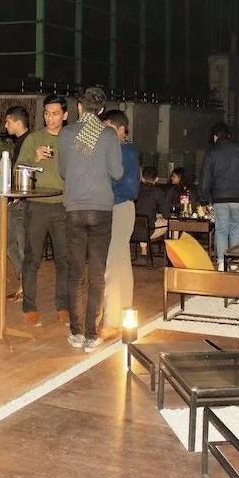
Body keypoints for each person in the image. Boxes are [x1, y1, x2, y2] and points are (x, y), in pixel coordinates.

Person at [58, 86, 123, 353]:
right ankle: (90, 335)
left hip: (74, 208)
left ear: (79, 107)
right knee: (97, 273)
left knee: (75, 273)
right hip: (100, 209)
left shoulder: (66, 133)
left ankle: (75, 332)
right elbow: (117, 173)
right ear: (102, 110)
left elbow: (63, 172)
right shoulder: (108, 134)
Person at [16, 94, 71, 327]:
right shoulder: (34, 138)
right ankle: (29, 306)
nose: (50, 118)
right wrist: (35, 158)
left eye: (55, 113)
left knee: (65, 259)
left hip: (64, 206)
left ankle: (63, 305)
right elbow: (18, 168)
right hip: (37, 205)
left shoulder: (71, 139)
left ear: (65, 115)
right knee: (32, 258)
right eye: (47, 113)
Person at [98, 109, 140, 341]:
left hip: (119, 207)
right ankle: (124, 312)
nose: (104, 133)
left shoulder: (123, 151)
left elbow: (122, 184)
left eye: (109, 129)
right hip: (123, 207)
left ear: (121, 129)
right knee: (122, 262)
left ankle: (111, 321)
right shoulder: (126, 150)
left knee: (113, 264)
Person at [200, 121, 239, 270]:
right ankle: (234, 263)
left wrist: (204, 200)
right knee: (235, 230)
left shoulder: (211, 152)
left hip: (220, 199)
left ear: (215, 136)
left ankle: (221, 263)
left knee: (221, 230)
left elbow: (205, 179)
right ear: (229, 135)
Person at [3, 105, 31, 301]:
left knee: (20, 245)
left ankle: (25, 287)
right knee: (10, 244)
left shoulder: (28, 142)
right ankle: (23, 283)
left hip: (23, 200)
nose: (5, 126)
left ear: (18, 122)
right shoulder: (20, 142)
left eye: (8, 122)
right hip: (17, 198)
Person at [136, 166, 169, 245]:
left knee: (144, 220)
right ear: (156, 179)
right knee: (172, 223)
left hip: (132, 230)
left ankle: (144, 250)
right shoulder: (157, 192)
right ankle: (174, 249)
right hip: (149, 231)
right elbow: (166, 214)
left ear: (142, 178)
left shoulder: (135, 190)